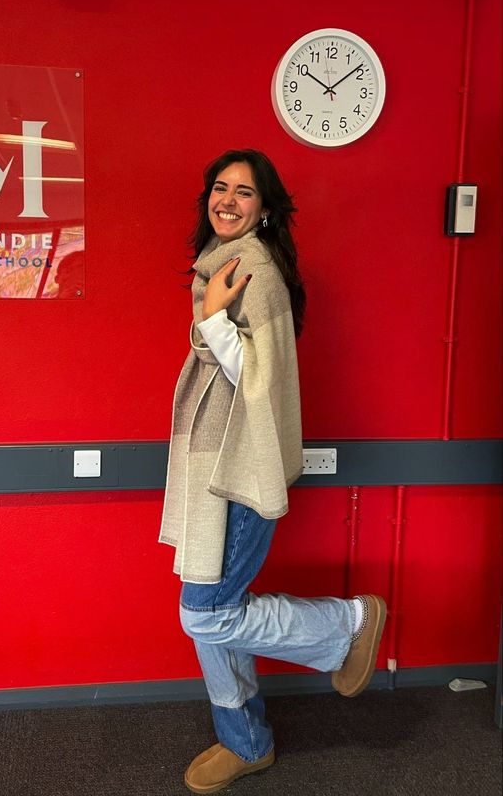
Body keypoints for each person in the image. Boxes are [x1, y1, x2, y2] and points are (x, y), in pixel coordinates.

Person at [158, 149, 387, 794]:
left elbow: (258, 381)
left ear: (264, 209)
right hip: (211, 470)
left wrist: (211, 318)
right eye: (219, 188)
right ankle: (246, 740)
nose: (227, 201)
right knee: (217, 612)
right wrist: (209, 313)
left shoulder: (254, 271)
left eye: (244, 192)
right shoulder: (218, 266)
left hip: (239, 472)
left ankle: (347, 624)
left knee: (206, 615)